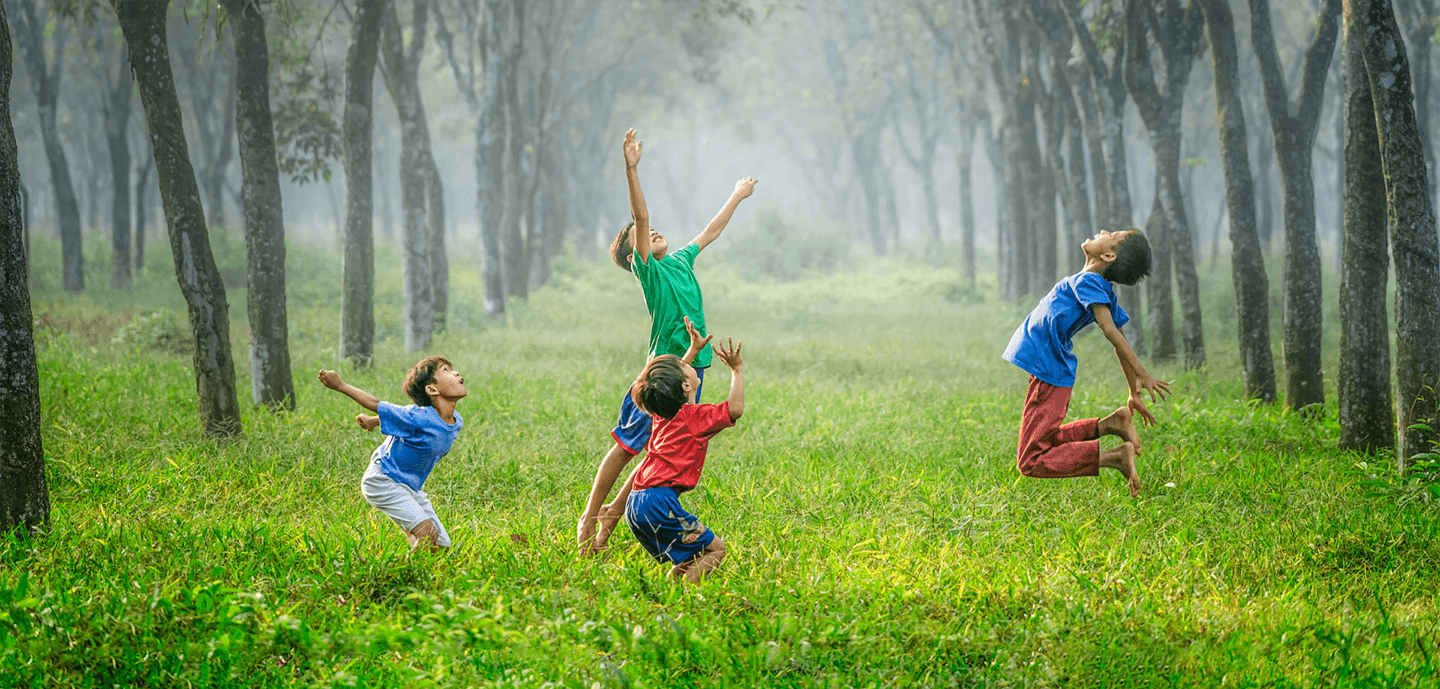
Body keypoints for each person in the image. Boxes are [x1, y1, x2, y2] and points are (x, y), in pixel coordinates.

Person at [576, 127, 757, 554]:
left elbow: (710, 232)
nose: (652, 231)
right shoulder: (650, 272)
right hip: (662, 371)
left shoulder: (679, 260)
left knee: (661, 450)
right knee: (626, 445)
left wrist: (736, 195)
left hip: (692, 368)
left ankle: (608, 527)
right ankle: (590, 517)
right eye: (641, 236)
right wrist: (631, 168)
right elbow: (640, 217)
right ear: (632, 256)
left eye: (654, 230)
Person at [1001, 228, 1170, 497]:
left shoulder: (1090, 282)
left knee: (1031, 460)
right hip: (1049, 369)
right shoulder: (1096, 285)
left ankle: (1114, 458)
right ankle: (1110, 425)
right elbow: (1118, 339)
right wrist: (1132, 390)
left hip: (1049, 370)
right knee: (1045, 440)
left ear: (1108, 254)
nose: (1103, 230)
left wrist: (1141, 373)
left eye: (1112, 234)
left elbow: (1112, 331)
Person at [622, 336, 745, 583]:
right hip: (659, 503)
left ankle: (670, 591)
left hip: (635, 502)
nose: (687, 363)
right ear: (686, 386)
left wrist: (692, 350)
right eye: (685, 366)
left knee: (690, 556)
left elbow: (669, 385)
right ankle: (685, 597)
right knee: (716, 550)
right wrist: (737, 370)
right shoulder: (694, 418)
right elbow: (735, 409)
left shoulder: (661, 413)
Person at [318, 357, 467, 553]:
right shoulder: (419, 416)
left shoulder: (455, 422)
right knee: (427, 535)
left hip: (410, 486)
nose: (455, 373)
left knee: (440, 546)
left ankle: (427, 576)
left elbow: (404, 422)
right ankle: (402, 576)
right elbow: (376, 404)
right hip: (383, 480)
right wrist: (341, 385)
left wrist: (373, 422)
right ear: (432, 389)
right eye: (446, 370)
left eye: (452, 369)